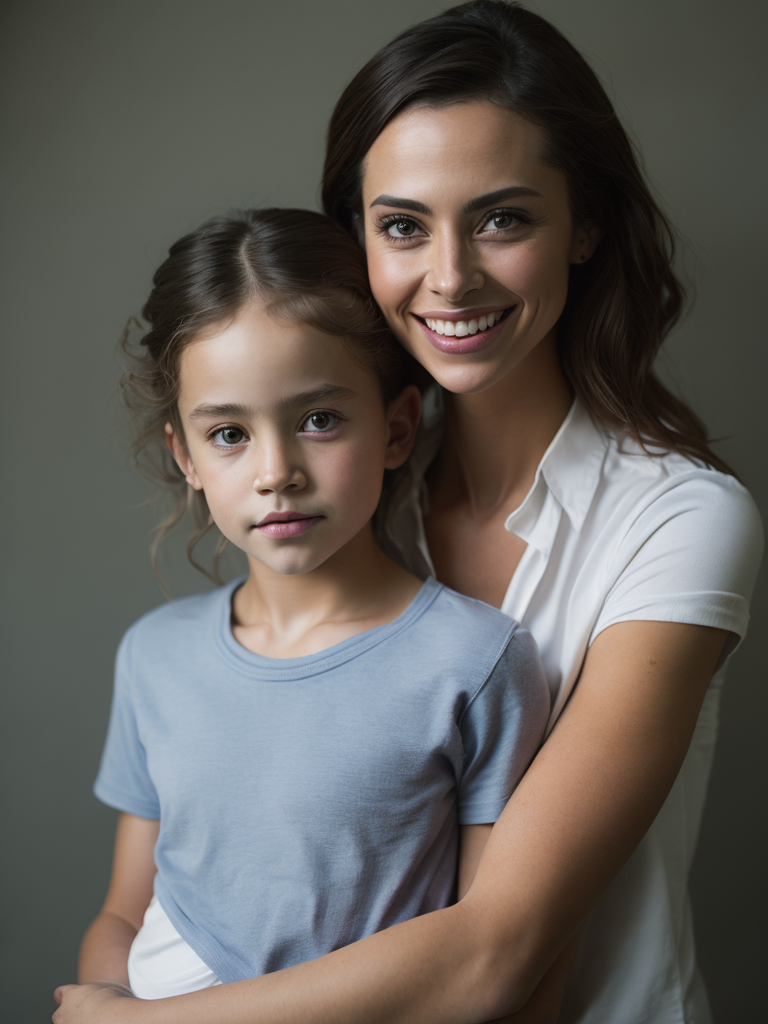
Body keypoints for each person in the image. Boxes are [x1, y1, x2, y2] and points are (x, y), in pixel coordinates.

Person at [53, 3, 763, 1023]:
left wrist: (130, 1021)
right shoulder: (341, 497)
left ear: (587, 226)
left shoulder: (682, 518)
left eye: (503, 218)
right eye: (401, 225)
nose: (449, 277)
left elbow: (496, 956)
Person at [57, 207, 551, 1008]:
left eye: (319, 420)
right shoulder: (156, 655)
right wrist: (106, 999)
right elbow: (124, 909)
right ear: (184, 453)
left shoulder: (474, 662)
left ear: (395, 430)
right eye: (228, 434)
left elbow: (480, 947)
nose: (276, 471)